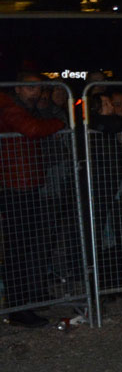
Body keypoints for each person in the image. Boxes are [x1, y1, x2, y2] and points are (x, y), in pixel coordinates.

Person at [0, 72, 66, 326]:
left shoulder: (19, 106)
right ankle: (19, 308)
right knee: (19, 249)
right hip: (16, 185)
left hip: (24, 182)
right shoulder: (10, 107)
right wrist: (59, 125)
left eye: (38, 88)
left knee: (24, 247)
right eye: (30, 88)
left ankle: (24, 302)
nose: (35, 92)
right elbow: (32, 129)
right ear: (17, 88)